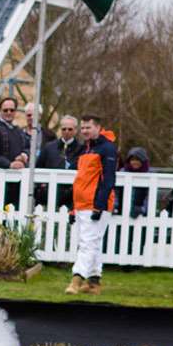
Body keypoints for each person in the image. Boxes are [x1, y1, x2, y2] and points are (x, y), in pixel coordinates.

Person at [66, 115, 118, 294]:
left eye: (88, 127)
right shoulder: (86, 149)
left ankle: (76, 280)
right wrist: (73, 208)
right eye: (83, 128)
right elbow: (80, 180)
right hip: (82, 203)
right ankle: (94, 282)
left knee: (87, 243)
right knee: (92, 243)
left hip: (95, 203)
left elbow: (109, 179)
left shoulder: (108, 148)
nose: (85, 131)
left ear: (98, 127)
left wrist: (99, 206)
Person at [0, 95, 33, 169]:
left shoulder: (19, 130)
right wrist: (9, 164)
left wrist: (24, 155)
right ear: (0, 111)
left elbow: (28, 147)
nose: (9, 112)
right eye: (5, 110)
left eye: (12, 110)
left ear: (15, 111)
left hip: (17, 173)